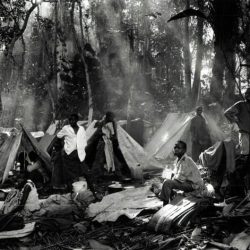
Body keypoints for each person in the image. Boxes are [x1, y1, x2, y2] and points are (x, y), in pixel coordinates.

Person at [153, 141, 204, 206]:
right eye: (175, 147)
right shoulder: (179, 159)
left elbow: (180, 178)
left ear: (184, 150)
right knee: (168, 181)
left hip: (193, 185)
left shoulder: (186, 160)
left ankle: (165, 205)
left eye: (179, 148)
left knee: (167, 183)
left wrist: (169, 180)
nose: (176, 149)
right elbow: (175, 174)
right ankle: (171, 201)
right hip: (187, 182)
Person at [57, 114, 96, 194]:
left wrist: (83, 148)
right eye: (70, 120)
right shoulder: (66, 128)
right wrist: (64, 146)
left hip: (79, 154)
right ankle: (71, 194)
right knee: (70, 175)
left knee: (86, 173)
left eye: (73, 120)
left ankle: (93, 192)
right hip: (69, 154)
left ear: (77, 120)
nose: (71, 121)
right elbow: (58, 136)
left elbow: (84, 139)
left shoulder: (81, 129)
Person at [88, 111, 131, 181]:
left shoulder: (113, 123)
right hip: (102, 143)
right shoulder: (102, 122)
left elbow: (114, 134)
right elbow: (96, 128)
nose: (112, 119)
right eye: (111, 117)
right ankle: (96, 176)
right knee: (99, 161)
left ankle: (119, 175)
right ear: (107, 117)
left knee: (114, 160)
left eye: (112, 117)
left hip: (109, 144)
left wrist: (114, 141)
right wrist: (101, 128)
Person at [224, 87, 250, 156]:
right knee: (245, 154)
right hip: (244, 134)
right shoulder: (241, 104)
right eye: (248, 94)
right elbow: (227, 113)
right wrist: (234, 122)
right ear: (245, 95)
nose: (249, 96)